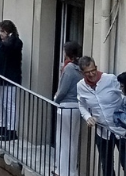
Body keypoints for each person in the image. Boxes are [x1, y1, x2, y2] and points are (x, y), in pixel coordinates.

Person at [76, 56, 126, 176]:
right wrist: (87, 117)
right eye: (88, 72)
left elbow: (124, 94)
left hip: (121, 129)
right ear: (82, 73)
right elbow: (81, 105)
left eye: (93, 70)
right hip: (102, 131)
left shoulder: (110, 79)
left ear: (96, 67)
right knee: (106, 165)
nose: (92, 74)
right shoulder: (80, 86)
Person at [53, 41, 83, 176]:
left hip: (66, 106)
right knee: (72, 140)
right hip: (77, 107)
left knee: (63, 140)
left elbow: (63, 90)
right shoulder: (80, 67)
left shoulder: (69, 68)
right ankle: (71, 171)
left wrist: (55, 99)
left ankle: (62, 171)